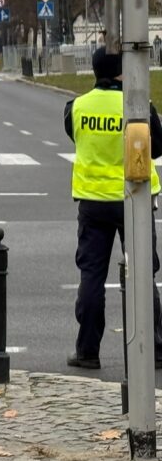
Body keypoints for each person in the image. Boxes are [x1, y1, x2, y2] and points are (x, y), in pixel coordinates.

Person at [64, 47, 162, 369]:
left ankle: (88, 351)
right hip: (133, 198)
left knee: (92, 276)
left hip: (93, 203)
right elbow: (158, 147)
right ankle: (156, 348)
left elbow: (74, 136)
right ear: (122, 71)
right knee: (142, 274)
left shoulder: (77, 107)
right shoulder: (137, 106)